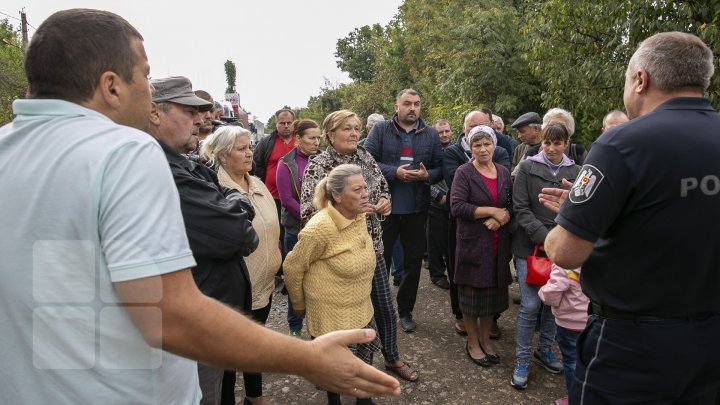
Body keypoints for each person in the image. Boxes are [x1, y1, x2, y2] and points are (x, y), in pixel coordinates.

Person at [0, 8, 400, 404]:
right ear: (111, 86)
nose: (150, 91)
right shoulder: (125, 152)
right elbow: (171, 315)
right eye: (144, 74)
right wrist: (307, 358)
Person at [544, 31, 720, 404]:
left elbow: (565, 252)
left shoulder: (622, 143)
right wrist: (587, 214)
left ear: (641, 80)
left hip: (634, 346)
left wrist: (572, 220)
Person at [148, 76, 259, 405]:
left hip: (213, 311)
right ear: (156, 113)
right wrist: (237, 206)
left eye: (201, 112)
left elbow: (227, 194)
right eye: (188, 111)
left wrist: (232, 203)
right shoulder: (161, 169)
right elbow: (240, 235)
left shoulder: (187, 164)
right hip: (194, 322)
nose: (200, 120)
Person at [301, 110, 418, 382]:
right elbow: (309, 214)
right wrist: (350, 211)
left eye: (356, 128)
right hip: (337, 257)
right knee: (345, 320)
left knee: (386, 309)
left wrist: (386, 203)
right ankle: (340, 373)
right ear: (330, 135)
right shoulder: (318, 165)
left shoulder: (365, 156)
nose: (355, 134)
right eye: (347, 129)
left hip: (371, 249)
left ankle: (392, 357)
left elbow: (383, 188)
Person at [201, 126, 282, 405]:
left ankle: (254, 396)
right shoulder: (216, 191)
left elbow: (273, 227)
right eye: (241, 149)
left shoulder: (257, 184)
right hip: (235, 290)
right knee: (228, 356)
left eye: (250, 147)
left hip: (263, 286)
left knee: (254, 345)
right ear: (222, 156)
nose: (250, 153)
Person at [285, 164, 379, 405]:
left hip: (360, 304)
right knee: (333, 370)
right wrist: (298, 304)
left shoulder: (358, 214)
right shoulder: (320, 228)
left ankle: (363, 399)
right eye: (357, 189)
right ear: (337, 196)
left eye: (365, 187)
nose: (365, 193)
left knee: (364, 360)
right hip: (330, 314)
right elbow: (293, 267)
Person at [365, 89, 444, 333]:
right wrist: (394, 172)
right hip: (384, 208)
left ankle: (405, 311)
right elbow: (367, 160)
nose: (412, 108)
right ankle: (376, 312)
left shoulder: (430, 134)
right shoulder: (381, 130)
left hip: (417, 209)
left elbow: (440, 167)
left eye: (417, 104)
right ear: (397, 106)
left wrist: (426, 175)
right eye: (407, 104)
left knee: (412, 264)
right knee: (380, 263)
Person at [510, 123, 580, 390]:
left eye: (557, 143)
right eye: (547, 143)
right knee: (530, 306)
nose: (551, 149)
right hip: (530, 246)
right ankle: (522, 359)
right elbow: (520, 207)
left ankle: (545, 350)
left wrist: (560, 240)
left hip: (561, 248)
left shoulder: (576, 171)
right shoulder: (527, 167)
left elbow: (578, 209)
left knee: (554, 304)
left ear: (566, 143)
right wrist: (545, 237)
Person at [450, 125, 513, 368]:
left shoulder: (504, 172)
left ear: (494, 145)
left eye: (487, 144)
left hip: (498, 245)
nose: (483, 149)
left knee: (491, 298)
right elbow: (457, 206)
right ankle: (473, 342)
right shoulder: (463, 172)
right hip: (474, 243)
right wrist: (491, 211)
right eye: (477, 145)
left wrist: (503, 216)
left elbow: (510, 203)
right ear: (470, 147)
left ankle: (487, 340)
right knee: (472, 298)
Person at [277, 118, 321, 337]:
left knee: (319, 279)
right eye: (312, 138)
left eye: (318, 138)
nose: (316, 142)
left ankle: (319, 326)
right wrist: (311, 218)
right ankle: (294, 327)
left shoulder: (323, 159)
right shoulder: (286, 164)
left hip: (323, 230)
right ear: (298, 139)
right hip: (297, 231)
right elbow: (286, 199)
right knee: (296, 280)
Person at [538, 265, 588, 405]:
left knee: (571, 362)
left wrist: (542, 291)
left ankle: (574, 399)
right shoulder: (599, 257)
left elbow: (551, 294)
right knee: (589, 362)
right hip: (593, 321)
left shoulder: (566, 263)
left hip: (569, 323)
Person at [426, 119, 453, 289]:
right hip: (435, 204)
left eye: (447, 131)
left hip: (454, 203)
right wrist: (439, 197)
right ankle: (437, 275)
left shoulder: (457, 150)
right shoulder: (428, 152)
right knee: (435, 241)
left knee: (451, 241)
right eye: (440, 132)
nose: (444, 135)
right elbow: (424, 178)